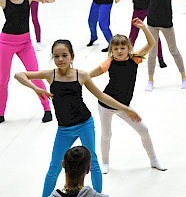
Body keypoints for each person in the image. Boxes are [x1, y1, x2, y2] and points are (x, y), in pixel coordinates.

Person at [14, 39, 140, 197]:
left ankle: (97, 195)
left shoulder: (82, 75)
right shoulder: (49, 75)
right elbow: (19, 75)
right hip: (64, 129)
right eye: (56, 56)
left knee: (93, 162)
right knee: (54, 167)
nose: (60, 59)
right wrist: (36, 88)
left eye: (64, 55)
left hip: (84, 124)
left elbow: (101, 96)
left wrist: (125, 108)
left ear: (72, 56)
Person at [89, 18, 166, 174]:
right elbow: (89, 75)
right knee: (106, 135)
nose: (119, 51)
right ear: (111, 50)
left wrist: (144, 28)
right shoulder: (109, 62)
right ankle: (105, 162)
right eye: (116, 48)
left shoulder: (135, 58)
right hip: (106, 105)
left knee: (144, 130)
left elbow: (151, 45)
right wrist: (78, 79)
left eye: (122, 48)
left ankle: (153, 159)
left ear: (128, 48)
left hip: (125, 106)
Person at [109, 0, 186, 91]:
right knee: (152, 54)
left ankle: (184, 77)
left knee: (174, 51)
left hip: (166, 24)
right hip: (152, 23)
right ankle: (150, 80)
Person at [0, 0, 54, 124]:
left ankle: (47, 109)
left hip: (25, 43)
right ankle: (1, 113)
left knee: (36, 76)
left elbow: (51, 0)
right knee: (3, 80)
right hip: (6, 43)